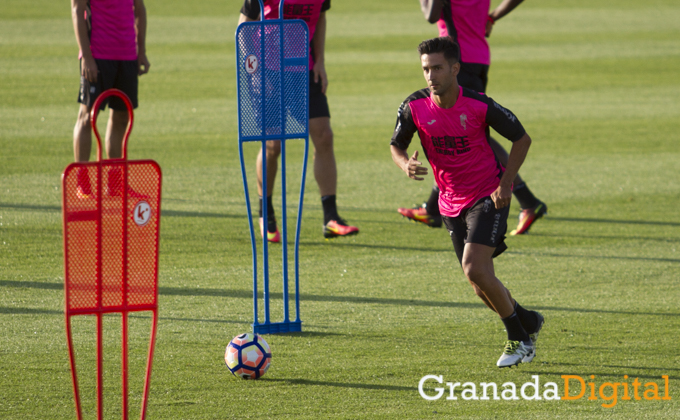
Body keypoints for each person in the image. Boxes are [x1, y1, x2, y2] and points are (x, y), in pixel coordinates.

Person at [391, 37, 544, 367]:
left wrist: (506, 185)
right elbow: (396, 145)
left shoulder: (479, 105)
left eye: (437, 68)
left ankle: (520, 341)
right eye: (425, 69)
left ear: (455, 69)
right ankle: (527, 321)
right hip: (449, 203)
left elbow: (522, 139)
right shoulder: (413, 107)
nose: (430, 76)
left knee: (474, 267)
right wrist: (406, 164)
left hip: (487, 194)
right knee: (479, 284)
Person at [399, 0, 546, 235]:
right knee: (466, 131)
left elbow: (430, 13)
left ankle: (526, 199)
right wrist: (493, 16)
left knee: (471, 133)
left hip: (455, 62)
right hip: (478, 56)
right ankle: (433, 208)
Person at [238, 0, 359, 241]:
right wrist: (255, 71)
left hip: (305, 68)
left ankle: (331, 217)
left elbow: (320, 18)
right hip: (267, 73)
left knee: (324, 136)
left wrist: (321, 61)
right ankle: (266, 213)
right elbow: (245, 26)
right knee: (273, 145)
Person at [71, 0, 150, 197]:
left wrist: (141, 51)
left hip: (127, 55)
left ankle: (114, 184)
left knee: (122, 117)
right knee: (87, 115)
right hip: (97, 54)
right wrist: (87, 57)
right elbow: (77, 10)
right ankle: (82, 180)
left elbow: (139, 9)